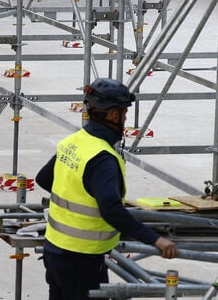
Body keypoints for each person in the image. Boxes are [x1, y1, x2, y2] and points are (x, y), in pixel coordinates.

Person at [36, 78, 178, 300]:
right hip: (82, 259)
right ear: (114, 115)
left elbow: (44, 179)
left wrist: (77, 195)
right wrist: (155, 239)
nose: (125, 119)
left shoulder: (74, 142)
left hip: (55, 249)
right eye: (124, 114)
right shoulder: (103, 159)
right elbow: (111, 209)